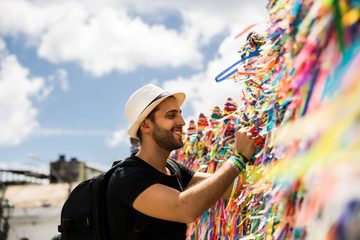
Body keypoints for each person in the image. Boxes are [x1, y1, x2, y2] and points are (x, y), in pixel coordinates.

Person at [106, 84, 257, 239]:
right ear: (146, 125)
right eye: (171, 116)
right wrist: (238, 158)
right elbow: (185, 208)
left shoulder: (173, 169)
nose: (182, 122)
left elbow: (227, 188)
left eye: (180, 114)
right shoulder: (127, 177)